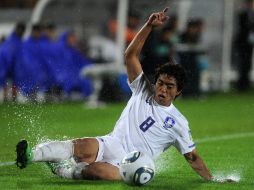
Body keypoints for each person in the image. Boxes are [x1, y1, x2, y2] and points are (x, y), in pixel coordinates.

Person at [16, 8, 233, 182]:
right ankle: (31, 156)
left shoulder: (179, 123)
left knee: (96, 172)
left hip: (130, 164)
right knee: (81, 146)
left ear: (178, 92)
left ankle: (63, 171)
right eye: (160, 83)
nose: (163, 89)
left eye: (169, 86)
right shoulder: (142, 89)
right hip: (111, 143)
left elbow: (192, 157)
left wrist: (213, 180)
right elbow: (130, 56)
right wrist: (148, 26)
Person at [234, 0, 254, 91]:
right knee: (242, 63)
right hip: (242, 43)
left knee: (247, 63)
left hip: (249, 43)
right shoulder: (241, 14)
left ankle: (245, 83)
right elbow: (242, 28)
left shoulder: (252, 14)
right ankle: (241, 84)